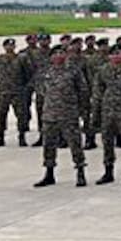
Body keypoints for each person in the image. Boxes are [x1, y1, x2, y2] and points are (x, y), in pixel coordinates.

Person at [33, 46, 88, 187]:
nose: (58, 55)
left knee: (75, 144)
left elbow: (82, 91)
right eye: (55, 53)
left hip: (69, 114)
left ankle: (80, 172)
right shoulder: (46, 71)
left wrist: (82, 110)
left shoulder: (73, 71)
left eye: (61, 53)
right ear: (51, 57)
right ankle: (49, 174)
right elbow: (40, 89)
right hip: (50, 115)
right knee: (48, 145)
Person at [91, 45, 121, 186]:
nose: (116, 56)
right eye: (113, 54)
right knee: (107, 142)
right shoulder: (103, 70)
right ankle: (108, 171)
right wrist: (96, 112)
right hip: (108, 111)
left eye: (119, 53)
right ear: (109, 56)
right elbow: (98, 92)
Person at [0, 37, 31, 148]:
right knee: (1, 114)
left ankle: (22, 137)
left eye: (12, 45)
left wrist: (23, 86)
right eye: (8, 45)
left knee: (21, 115)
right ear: (4, 47)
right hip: (4, 91)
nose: (10, 47)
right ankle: (0, 137)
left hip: (18, 91)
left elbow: (28, 73)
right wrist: (2, 83)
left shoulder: (21, 58)